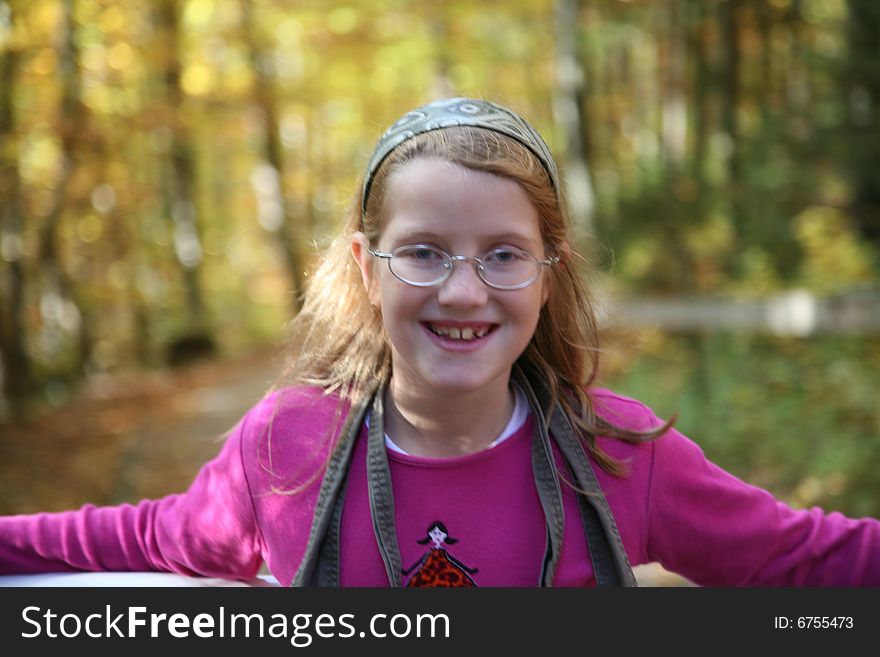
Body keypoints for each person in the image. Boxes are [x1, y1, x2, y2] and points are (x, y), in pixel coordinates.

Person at [1, 98, 878, 587]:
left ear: (548, 271)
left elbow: (809, 559)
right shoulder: (287, 446)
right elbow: (141, 539)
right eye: (423, 252)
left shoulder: (615, 452)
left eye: (504, 255)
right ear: (368, 266)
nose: (463, 290)